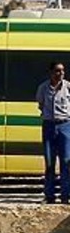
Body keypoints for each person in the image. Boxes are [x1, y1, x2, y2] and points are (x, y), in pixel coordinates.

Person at [35, 61, 70, 204]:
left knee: (66, 162)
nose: (60, 73)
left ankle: (65, 195)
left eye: (62, 71)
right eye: (57, 70)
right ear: (51, 72)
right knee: (49, 162)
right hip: (49, 126)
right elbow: (41, 104)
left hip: (65, 126)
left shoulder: (68, 87)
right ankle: (49, 195)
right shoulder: (43, 88)